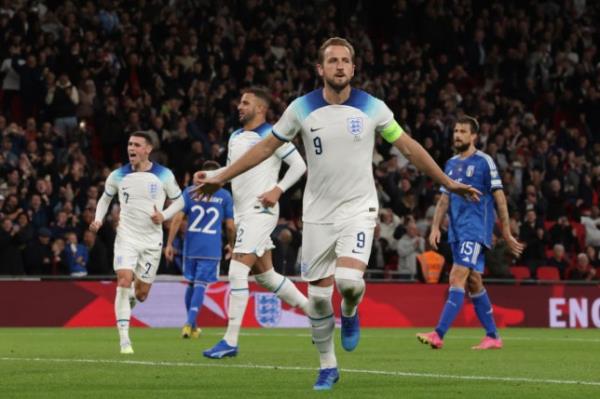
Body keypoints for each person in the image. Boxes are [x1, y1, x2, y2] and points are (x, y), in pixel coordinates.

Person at [193, 37, 480, 390]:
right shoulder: (301, 108)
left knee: (348, 283)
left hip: (359, 207)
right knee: (316, 298)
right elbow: (267, 147)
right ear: (321, 69)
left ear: (353, 68)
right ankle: (328, 366)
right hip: (317, 213)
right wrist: (221, 175)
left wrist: (447, 182)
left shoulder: (372, 107)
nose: (340, 66)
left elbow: (408, 146)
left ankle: (350, 310)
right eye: (333, 61)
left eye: (345, 61)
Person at [201, 87, 309, 359]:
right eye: (240, 101)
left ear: (260, 109)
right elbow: (232, 173)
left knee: (237, 272)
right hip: (242, 213)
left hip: (261, 210)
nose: (240, 106)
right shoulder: (236, 136)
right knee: (267, 277)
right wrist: (212, 176)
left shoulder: (273, 136)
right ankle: (319, 315)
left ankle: (230, 341)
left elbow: (299, 166)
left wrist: (279, 190)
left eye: (246, 102)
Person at [416, 116, 523, 351]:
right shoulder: (451, 163)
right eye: (455, 131)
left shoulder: (485, 162)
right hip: (456, 230)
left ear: (474, 136)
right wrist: (435, 227)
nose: (457, 135)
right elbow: (444, 199)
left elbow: (499, 197)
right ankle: (493, 336)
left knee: (456, 276)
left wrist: (505, 231)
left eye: (463, 131)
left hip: (475, 229)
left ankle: (438, 333)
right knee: (474, 281)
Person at [90, 131, 184, 354]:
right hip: (127, 238)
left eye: (136, 145)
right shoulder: (117, 175)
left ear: (148, 149)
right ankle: (124, 340)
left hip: (152, 241)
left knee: (141, 294)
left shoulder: (163, 175)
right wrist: (98, 219)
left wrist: (164, 215)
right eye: (129, 144)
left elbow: (180, 201)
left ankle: (131, 297)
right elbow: (105, 198)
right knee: (123, 280)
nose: (131, 148)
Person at [165, 160, 235, 339]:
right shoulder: (225, 196)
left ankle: (193, 325)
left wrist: (170, 243)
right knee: (200, 284)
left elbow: (177, 218)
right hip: (211, 248)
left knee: (191, 282)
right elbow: (229, 226)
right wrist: (232, 245)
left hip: (191, 246)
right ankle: (189, 323)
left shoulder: (189, 193)